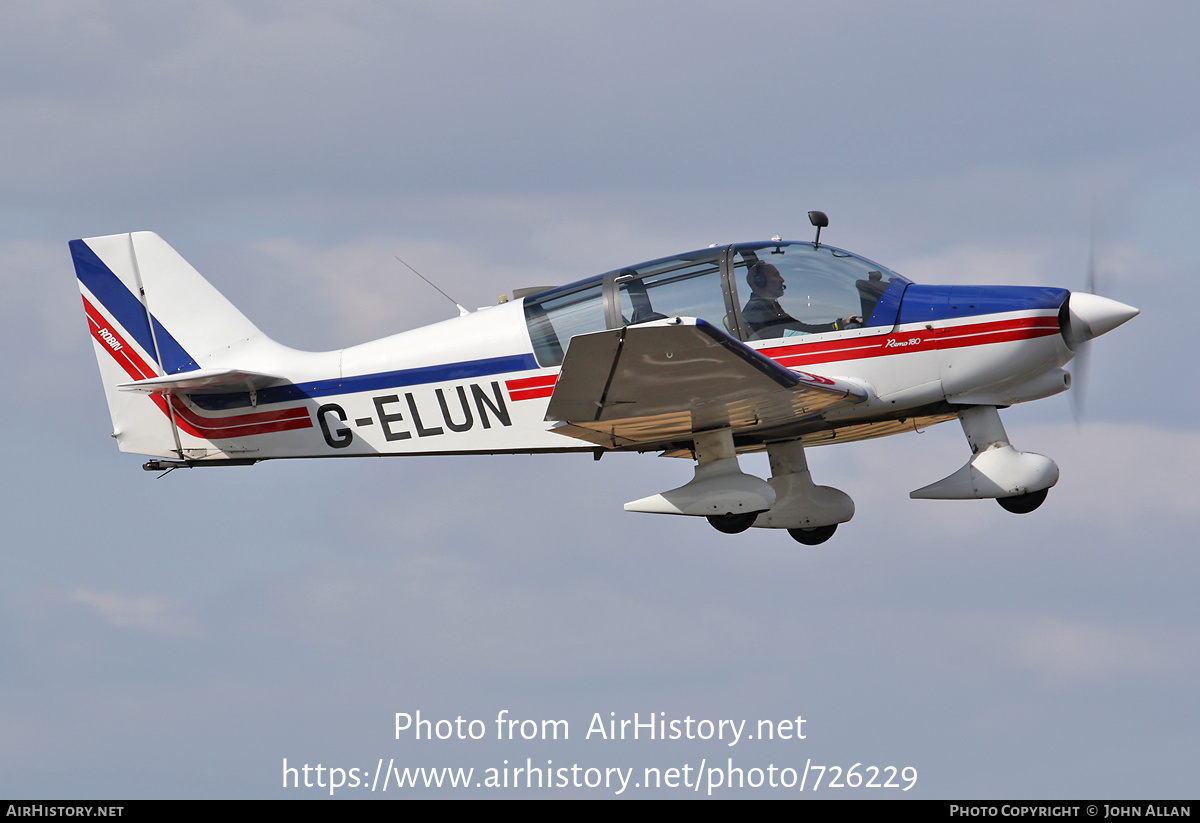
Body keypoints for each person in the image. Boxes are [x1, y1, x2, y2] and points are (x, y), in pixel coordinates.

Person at [742, 261, 860, 339]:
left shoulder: (770, 306)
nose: (782, 279)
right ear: (760, 281)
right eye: (776, 275)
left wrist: (840, 324)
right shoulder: (756, 310)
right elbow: (792, 333)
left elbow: (799, 327)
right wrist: (837, 326)